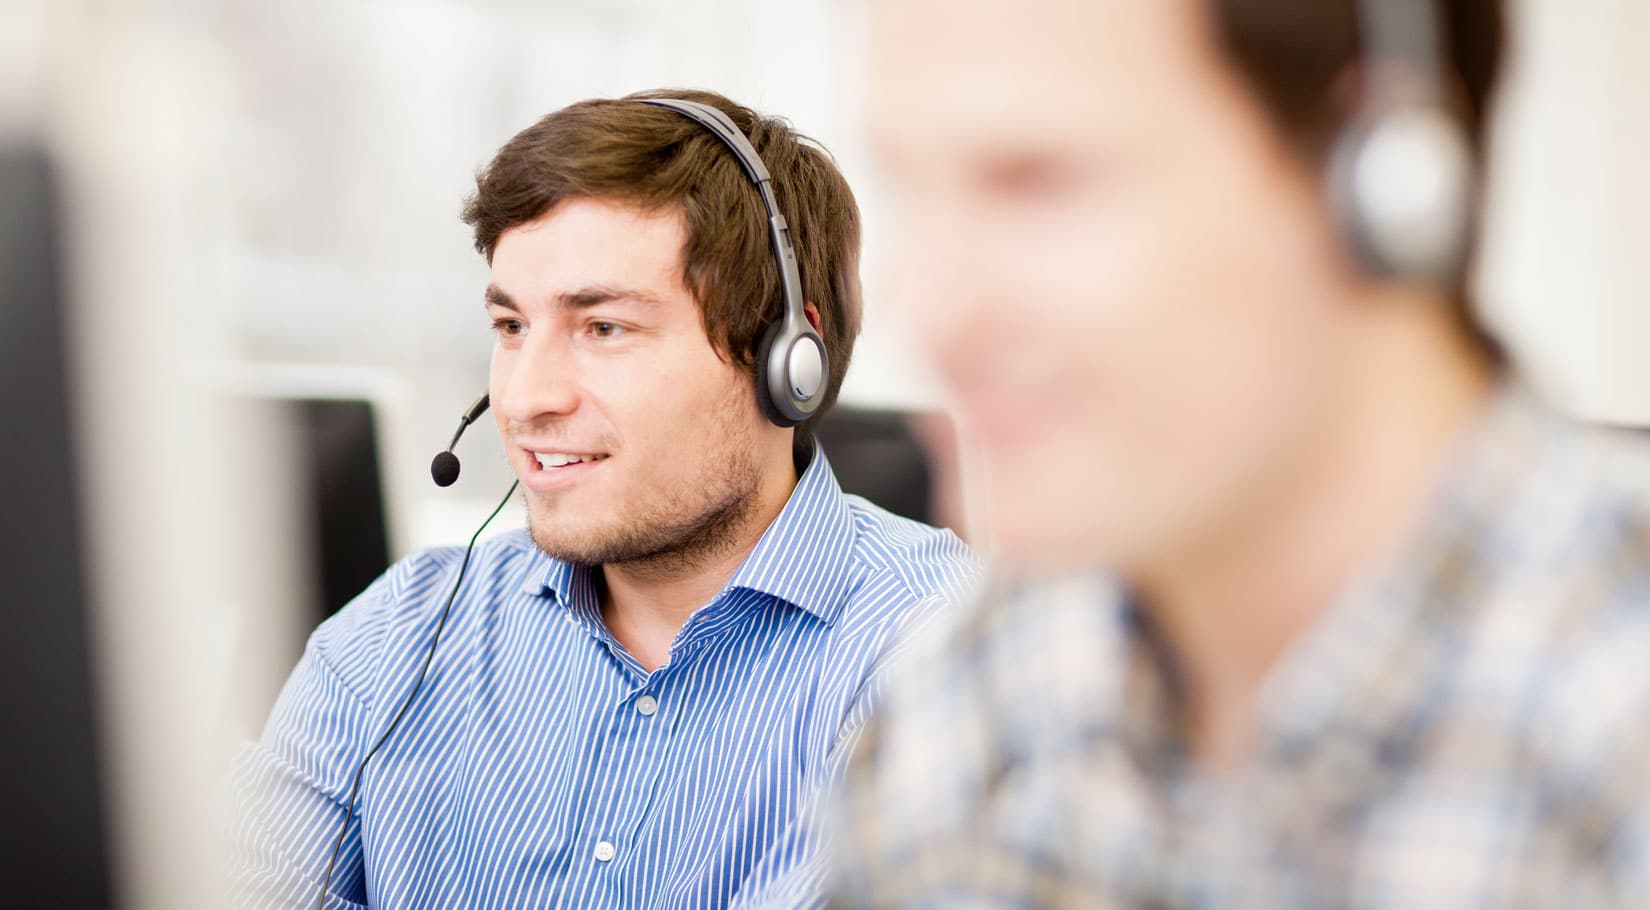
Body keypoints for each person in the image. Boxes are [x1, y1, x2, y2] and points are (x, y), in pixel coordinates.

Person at [831, 0, 1650, 905]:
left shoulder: (1614, 726)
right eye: (908, 184)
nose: (933, 312)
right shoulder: (971, 696)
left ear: (1380, 177)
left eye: (1038, 183)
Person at [231, 88, 976, 909]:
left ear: (785, 355)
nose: (524, 399)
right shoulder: (394, 641)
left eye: (603, 328)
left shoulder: (948, 662)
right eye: (511, 327)